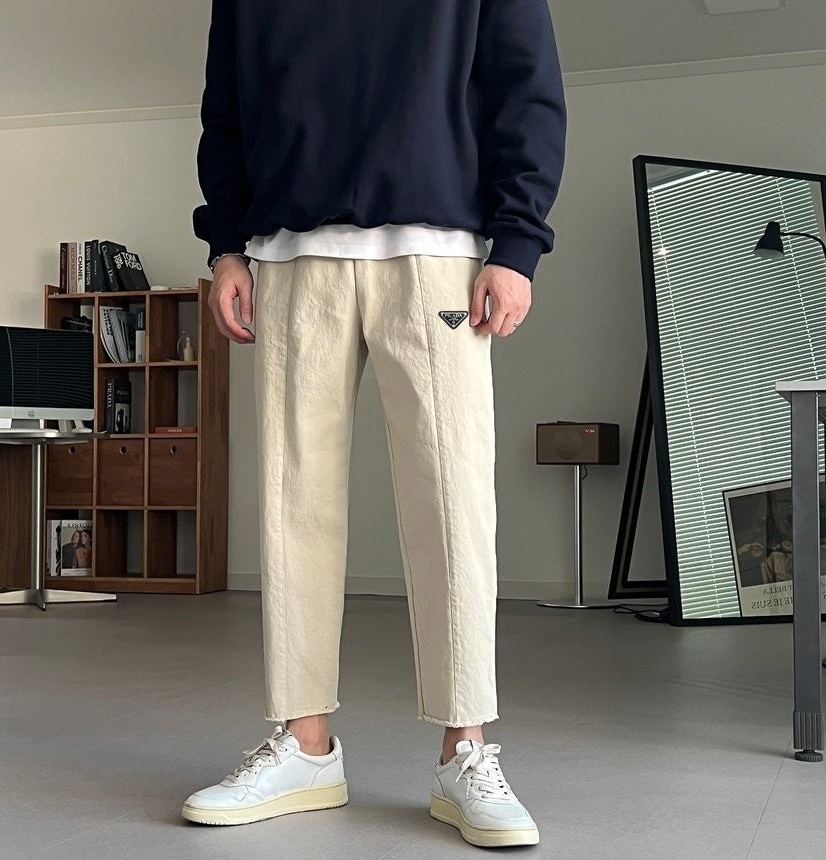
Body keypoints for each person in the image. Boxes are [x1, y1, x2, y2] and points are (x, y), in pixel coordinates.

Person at [182, 0, 567, 848]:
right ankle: (305, 745)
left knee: (452, 502)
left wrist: (517, 244)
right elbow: (227, 108)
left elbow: (526, 86)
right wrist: (226, 245)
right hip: (289, 254)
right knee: (294, 502)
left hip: (437, 254)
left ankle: (465, 750)